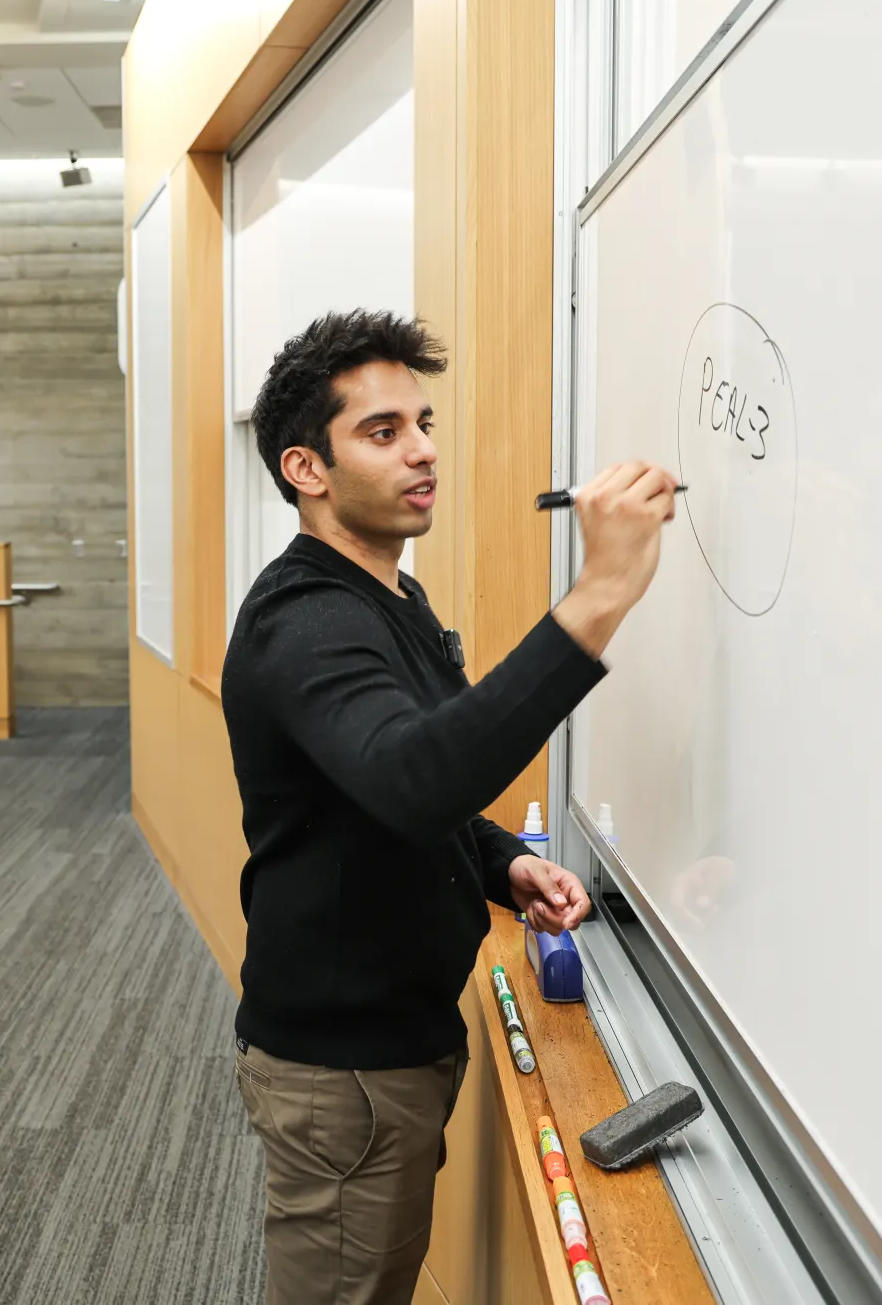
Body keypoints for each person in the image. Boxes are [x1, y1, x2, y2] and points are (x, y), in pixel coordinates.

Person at [222, 309, 679, 1305]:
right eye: (382, 432)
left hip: (391, 1047)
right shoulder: (304, 621)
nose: (423, 450)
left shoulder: (390, 597)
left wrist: (496, 863)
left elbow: (387, 794)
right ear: (307, 467)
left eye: (421, 422)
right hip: (338, 1073)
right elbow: (414, 775)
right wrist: (598, 593)